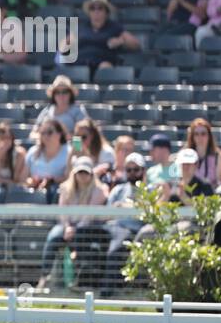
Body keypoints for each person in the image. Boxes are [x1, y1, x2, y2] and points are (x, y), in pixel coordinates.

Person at [37, 156, 110, 292]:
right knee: (53, 237)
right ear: (74, 173)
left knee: (81, 238)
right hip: (66, 226)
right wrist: (67, 227)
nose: (82, 176)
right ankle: (44, 278)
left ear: (91, 174)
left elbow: (90, 214)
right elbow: (62, 211)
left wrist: (75, 229)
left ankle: (78, 281)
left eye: (85, 172)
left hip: (87, 228)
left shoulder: (100, 190)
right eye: (79, 172)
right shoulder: (65, 188)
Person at [63, 0, 139, 74]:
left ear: (106, 12)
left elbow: (135, 44)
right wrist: (69, 43)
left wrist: (121, 40)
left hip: (102, 64)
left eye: (100, 8)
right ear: (89, 12)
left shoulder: (114, 27)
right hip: (80, 64)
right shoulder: (81, 28)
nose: (96, 12)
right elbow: (62, 47)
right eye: (92, 8)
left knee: (105, 67)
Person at [104, 153, 146, 294]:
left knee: (117, 245)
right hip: (112, 226)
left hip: (132, 230)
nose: (132, 173)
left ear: (143, 171)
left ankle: (107, 290)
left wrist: (123, 207)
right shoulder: (118, 190)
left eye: (136, 169)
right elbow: (108, 213)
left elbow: (147, 214)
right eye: (129, 170)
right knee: (83, 231)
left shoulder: (149, 191)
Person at [26, 118, 71, 201]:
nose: (46, 136)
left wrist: (52, 180)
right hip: (34, 192)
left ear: (60, 134)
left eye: (50, 132)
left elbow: (71, 178)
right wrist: (32, 181)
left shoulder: (70, 152)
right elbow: (24, 177)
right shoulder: (32, 152)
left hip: (58, 195)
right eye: (43, 133)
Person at [183, 117, 221, 189]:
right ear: (192, 137)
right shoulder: (185, 155)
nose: (200, 137)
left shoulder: (219, 157)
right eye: (196, 134)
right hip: (189, 194)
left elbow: (219, 182)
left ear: (209, 136)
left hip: (210, 195)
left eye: (203, 134)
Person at [72, 117, 116, 182]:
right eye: (77, 137)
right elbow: (70, 176)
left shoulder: (106, 152)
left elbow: (107, 174)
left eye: (83, 137)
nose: (80, 140)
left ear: (92, 135)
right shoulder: (76, 153)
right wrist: (71, 155)